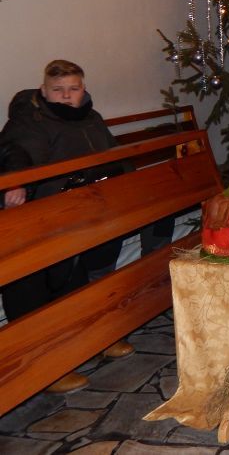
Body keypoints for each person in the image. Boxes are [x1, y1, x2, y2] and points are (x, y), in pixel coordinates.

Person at [0, 60, 135, 393]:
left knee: (88, 279)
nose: (65, 96)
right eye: (57, 90)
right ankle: (47, 365)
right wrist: (15, 184)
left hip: (89, 208)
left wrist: (128, 177)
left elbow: (113, 153)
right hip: (45, 214)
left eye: (73, 89)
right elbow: (16, 152)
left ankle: (95, 338)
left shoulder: (91, 117)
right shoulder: (30, 120)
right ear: (44, 91)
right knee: (40, 285)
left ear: (83, 90)